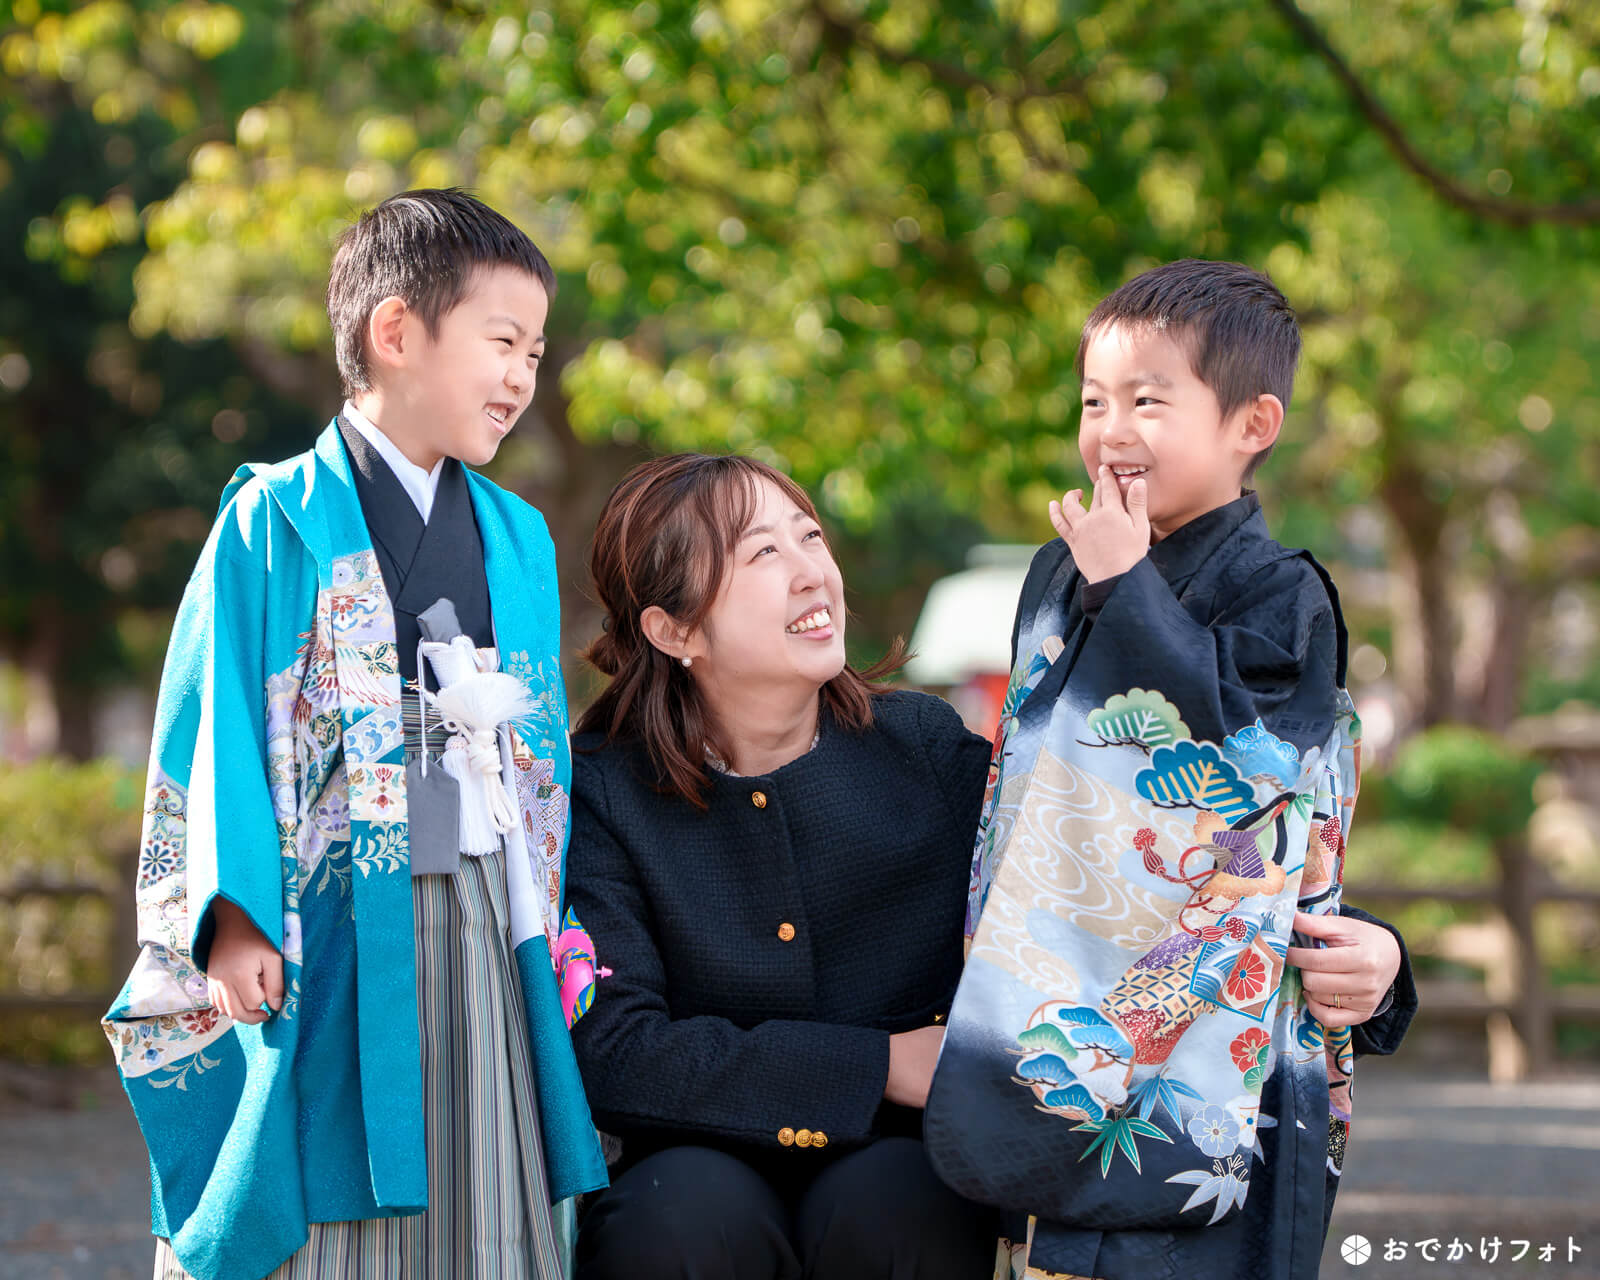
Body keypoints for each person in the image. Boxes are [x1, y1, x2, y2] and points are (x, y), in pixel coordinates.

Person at [101, 189, 607, 1280]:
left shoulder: (515, 535)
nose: (523, 376)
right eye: (502, 341)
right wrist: (227, 916)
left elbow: (541, 752)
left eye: (535, 350)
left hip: (482, 899)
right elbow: (214, 720)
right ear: (394, 332)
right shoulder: (271, 516)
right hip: (321, 911)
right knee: (324, 1164)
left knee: (481, 1151)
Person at [923, 259, 1417, 1280]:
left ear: (1252, 423)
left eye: (1149, 400)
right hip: (1066, 972)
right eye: (1093, 400)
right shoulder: (1058, 567)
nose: (1111, 429)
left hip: (1222, 1017)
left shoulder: (1280, 591)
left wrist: (1126, 588)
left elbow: (1248, 757)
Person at [564, 453, 1000, 1280]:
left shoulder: (930, 752)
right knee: (679, 1218)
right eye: (763, 553)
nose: (812, 573)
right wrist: (881, 1064)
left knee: (898, 1206)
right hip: (688, 1157)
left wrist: (1320, 945)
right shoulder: (604, 792)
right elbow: (614, 1048)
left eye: (811, 537)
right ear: (674, 629)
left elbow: (1083, 875)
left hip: (903, 1156)